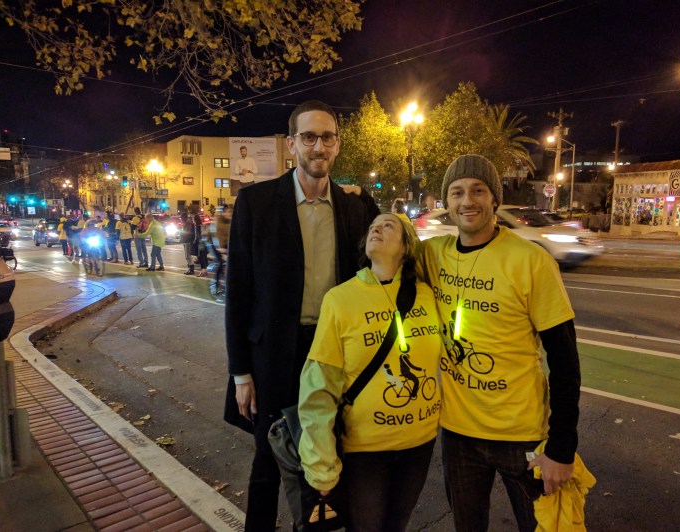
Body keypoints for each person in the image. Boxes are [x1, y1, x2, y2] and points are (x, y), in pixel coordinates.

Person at [224, 99, 379, 531]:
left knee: (329, 454)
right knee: (268, 460)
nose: (318, 146)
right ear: (291, 144)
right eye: (308, 137)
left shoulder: (355, 208)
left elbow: (380, 271)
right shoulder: (255, 203)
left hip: (333, 355)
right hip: (272, 356)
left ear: (337, 145)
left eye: (326, 137)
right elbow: (238, 293)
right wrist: (240, 374)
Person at [418, 154, 581, 532]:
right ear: (447, 202)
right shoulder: (433, 255)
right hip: (458, 435)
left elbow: (565, 360)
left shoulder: (530, 260)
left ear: (495, 199)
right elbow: (385, 249)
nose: (467, 201)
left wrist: (561, 447)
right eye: (456, 192)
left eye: (478, 190)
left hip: (522, 435)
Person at [298, 213, 443, 532]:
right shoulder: (340, 300)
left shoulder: (428, 295)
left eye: (388, 225)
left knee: (396, 525)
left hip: (419, 445)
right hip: (365, 450)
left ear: (406, 246)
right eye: (373, 226)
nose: (376, 228)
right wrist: (321, 465)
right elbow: (319, 385)